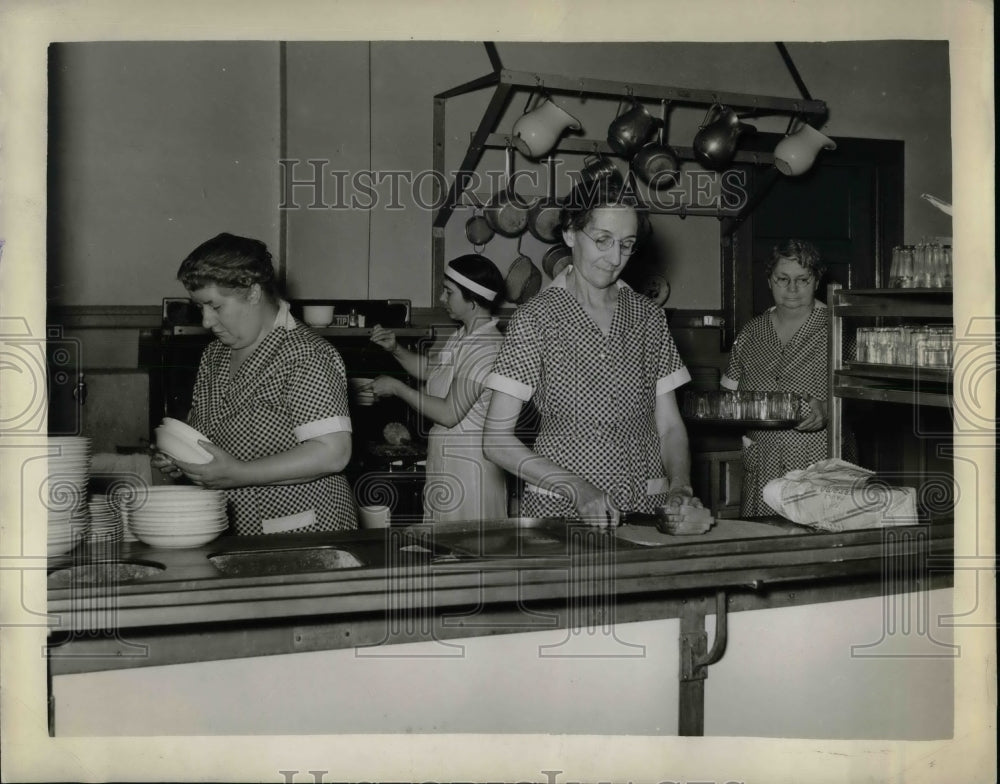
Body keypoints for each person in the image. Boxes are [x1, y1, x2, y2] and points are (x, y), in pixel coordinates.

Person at [482, 178, 702, 526]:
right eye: (602, 240)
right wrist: (577, 488)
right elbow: (495, 441)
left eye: (626, 245)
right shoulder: (536, 318)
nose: (614, 258)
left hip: (645, 504)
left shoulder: (648, 316)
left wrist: (680, 486)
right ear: (570, 233)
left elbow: (670, 426)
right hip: (562, 509)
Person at [153, 232, 357, 534]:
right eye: (200, 308)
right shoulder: (215, 355)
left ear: (252, 292)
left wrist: (239, 473)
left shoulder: (305, 354)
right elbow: (208, 427)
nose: (207, 321)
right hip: (234, 526)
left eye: (216, 306)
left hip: (303, 530)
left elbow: (333, 451)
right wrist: (183, 456)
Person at [369, 255, 508, 523]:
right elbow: (431, 371)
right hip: (448, 462)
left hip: (471, 472)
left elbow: (448, 413)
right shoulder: (464, 336)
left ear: (474, 300)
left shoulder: (487, 347)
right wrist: (395, 349)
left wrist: (397, 388)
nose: (442, 298)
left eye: (449, 292)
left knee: (466, 553)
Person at [721, 239, 830, 516]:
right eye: (783, 279)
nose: (792, 289)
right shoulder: (751, 333)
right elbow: (727, 396)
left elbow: (867, 402)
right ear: (769, 280)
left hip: (818, 464)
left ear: (817, 281)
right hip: (762, 463)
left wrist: (828, 409)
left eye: (802, 279)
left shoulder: (837, 329)